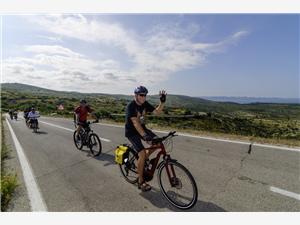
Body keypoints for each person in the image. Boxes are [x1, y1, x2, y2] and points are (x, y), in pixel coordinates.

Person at [125, 86, 167, 192]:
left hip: (143, 129)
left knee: (157, 142)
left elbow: (157, 112)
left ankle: (143, 161)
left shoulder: (145, 104)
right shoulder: (131, 106)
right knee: (142, 153)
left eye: (145, 95)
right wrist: (144, 135)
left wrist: (162, 102)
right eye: (141, 95)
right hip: (132, 132)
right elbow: (135, 123)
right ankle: (141, 181)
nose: (144, 97)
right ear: (136, 95)